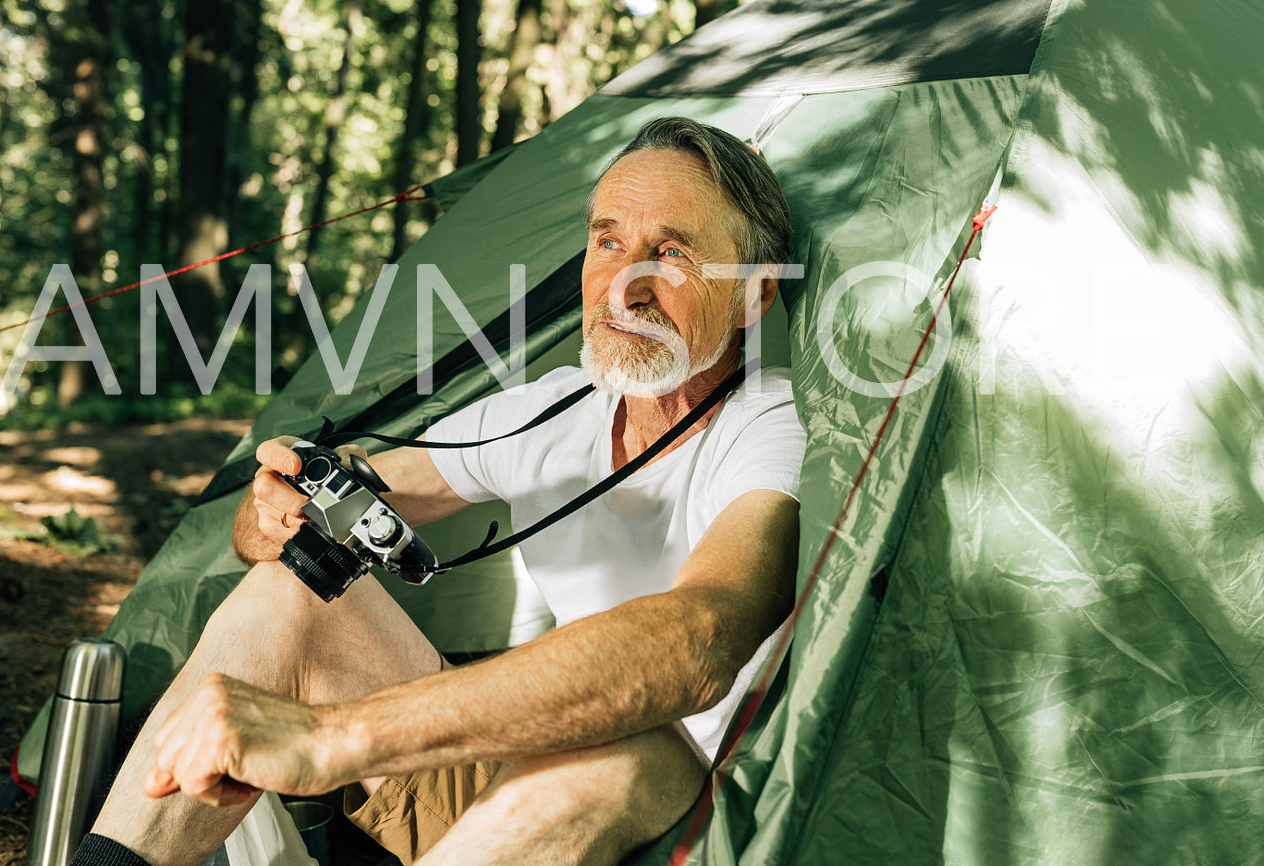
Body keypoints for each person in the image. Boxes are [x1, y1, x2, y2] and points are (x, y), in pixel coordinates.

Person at [71, 117, 807, 866]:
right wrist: (272, 508)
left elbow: (698, 639)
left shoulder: (775, 425)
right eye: (608, 241)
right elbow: (345, 488)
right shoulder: (556, 405)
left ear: (752, 298)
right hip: (522, 796)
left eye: (672, 252)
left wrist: (334, 737)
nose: (626, 284)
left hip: (696, 825)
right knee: (289, 591)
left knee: (620, 751)